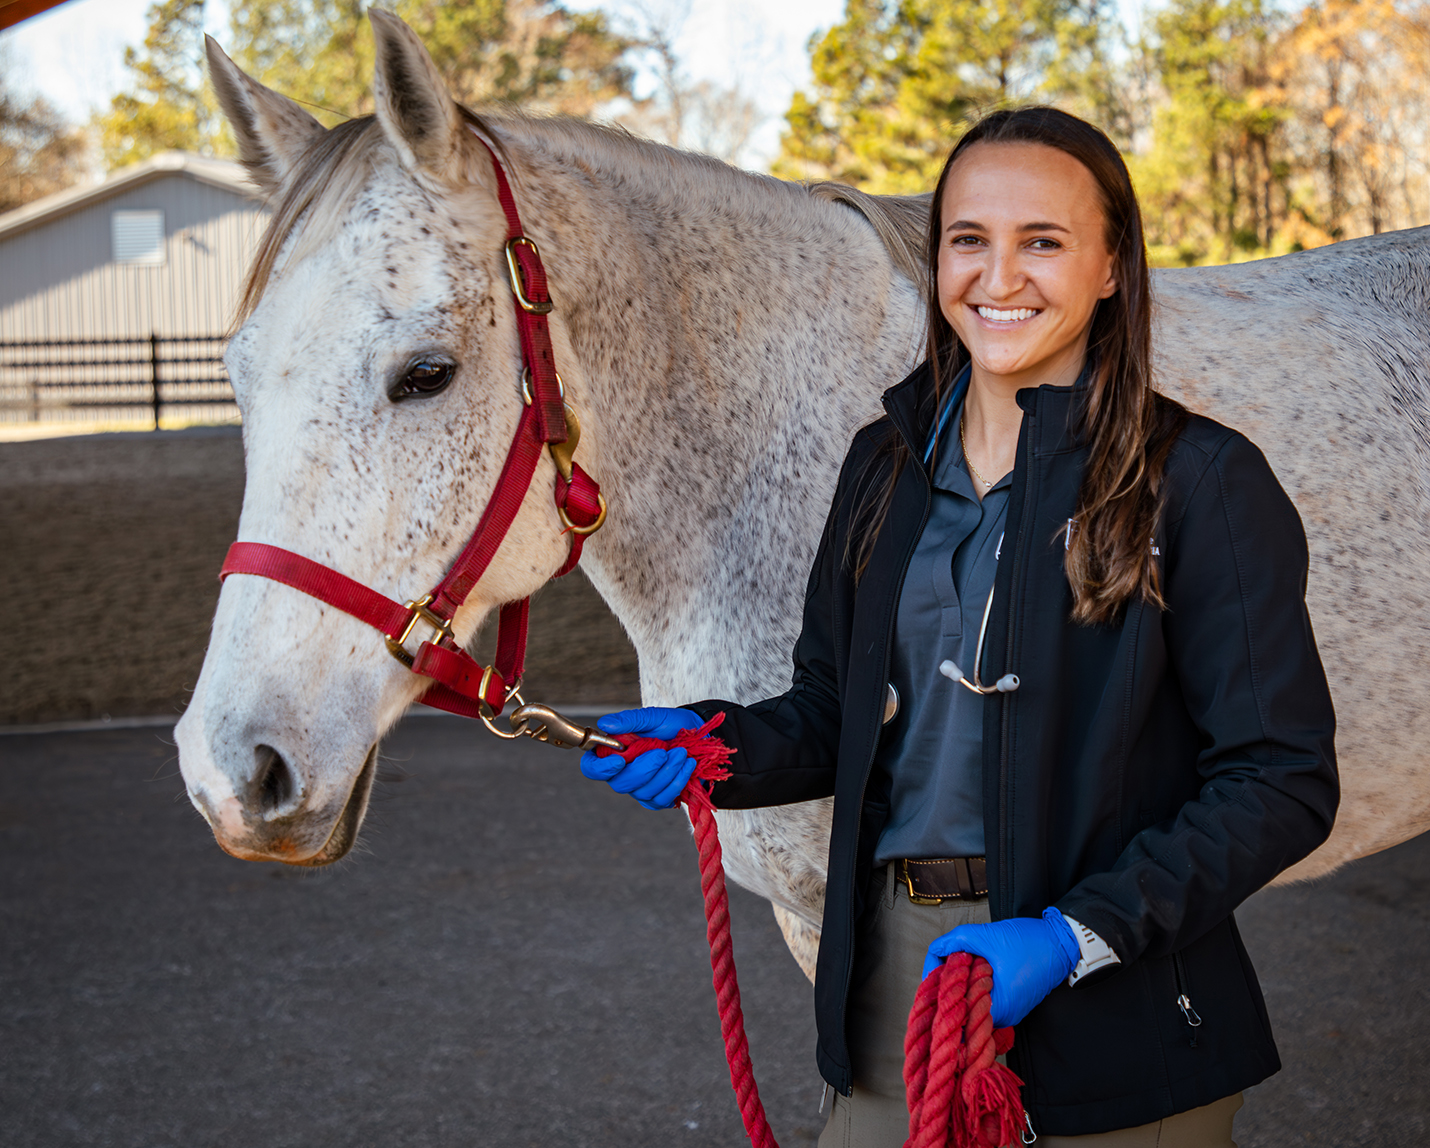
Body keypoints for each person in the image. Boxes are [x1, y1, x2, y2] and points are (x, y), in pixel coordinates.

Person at [580, 106, 1338, 1147]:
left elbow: (1278, 777)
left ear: (1111, 266)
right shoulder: (881, 466)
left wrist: (1075, 936)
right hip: (900, 975)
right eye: (967, 239)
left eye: (1043, 241)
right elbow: (833, 708)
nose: (998, 275)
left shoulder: (1200, 480)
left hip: (1115, 987)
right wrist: (718, 741)